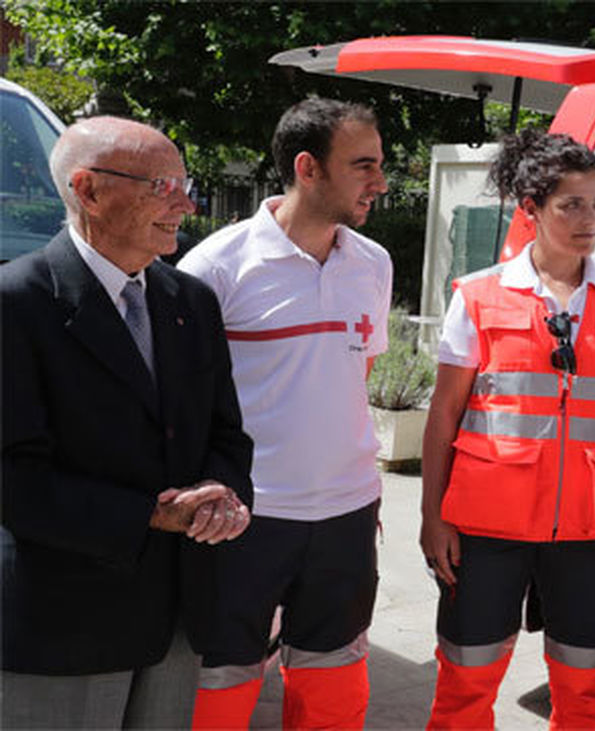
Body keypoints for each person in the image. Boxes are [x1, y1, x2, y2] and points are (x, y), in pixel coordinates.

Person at [420, 130, 595, 729]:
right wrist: (433, 515)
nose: (590, 219)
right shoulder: (480, 296)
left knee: (587, 682)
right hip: (486, 525)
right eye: (572, 205)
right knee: (466, 676)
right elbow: (443, 413)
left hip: (591, 528)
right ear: (530, 209)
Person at [0, 116, 253, 727]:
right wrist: (149, 514)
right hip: (64, 625)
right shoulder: (16, 303)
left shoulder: (189, 300)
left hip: (176, 618)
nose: (186, 204)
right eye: (161, 186)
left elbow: (226, 433)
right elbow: (11, 478)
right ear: (87, 190)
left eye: (184, 183)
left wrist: (224, 496)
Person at [178, 98, 393, 729]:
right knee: (222, 679)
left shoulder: (373, 263)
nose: (379, 181)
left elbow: (358, 375)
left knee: (333, 679)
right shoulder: (216, 267)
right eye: (363, 165)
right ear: (308, 168)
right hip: (246, 516)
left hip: (348, 515)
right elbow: (186, 402)